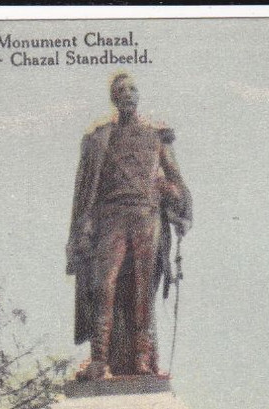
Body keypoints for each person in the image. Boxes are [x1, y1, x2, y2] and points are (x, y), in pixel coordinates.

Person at [66, 73, 192, 380]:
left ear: (138, 96)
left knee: (142, 289)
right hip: (110, 219)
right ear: (114, 98)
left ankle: (141, 359)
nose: (127, 95)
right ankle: (99, 359)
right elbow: (85, 190)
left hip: (145, 218)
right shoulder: (100, 138)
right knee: (102, 287)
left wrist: (169, 195)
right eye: (121, 90)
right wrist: (82, 231)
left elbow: (177, 183)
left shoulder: (156, 138)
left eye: (132, 89)